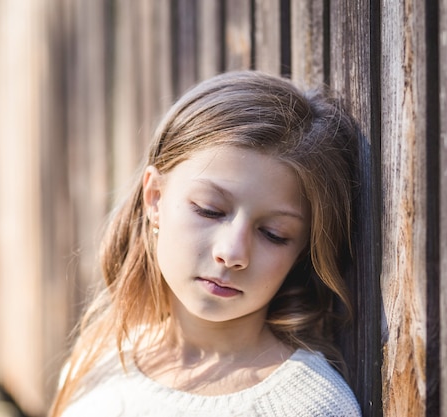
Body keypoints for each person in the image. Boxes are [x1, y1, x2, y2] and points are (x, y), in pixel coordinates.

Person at [49, 71, 362, 417]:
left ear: (302, 250)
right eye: (210, 211)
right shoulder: (102, 355)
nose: (231, 253)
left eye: (273, 234)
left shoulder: (309, 406)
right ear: (154, 198)